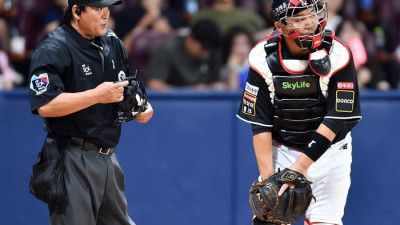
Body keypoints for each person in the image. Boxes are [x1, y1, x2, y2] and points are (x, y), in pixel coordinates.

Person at [235, 0, 362, 224]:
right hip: (283, 150)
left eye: (312, 15)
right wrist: (268, 182)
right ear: (280, 26)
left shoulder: (339, 53)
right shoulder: (260, 57)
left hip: (331, 154)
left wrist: (300, 168)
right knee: (268, 219)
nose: (309, 23)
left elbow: (337, 118)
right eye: (299, 18)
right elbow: (260, 123)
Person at [28, 1, 153, 225]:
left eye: (108, 8)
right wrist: (95, 96)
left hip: (108, 158)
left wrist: (141, 105)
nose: (105, 14)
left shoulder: (113, 41)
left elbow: (125, 86)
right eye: (97, 8)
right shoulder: (55, 48)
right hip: (73, 156)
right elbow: (45, 104)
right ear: (76, 11)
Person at [146, 19, 222, 89]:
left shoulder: (213, 52)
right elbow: (154, 84)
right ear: (190, 39)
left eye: (209, 50)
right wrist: (191, 91)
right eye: (203, 48)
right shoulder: (167, 49)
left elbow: (217, 84)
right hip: (174, 101)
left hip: (205, 101)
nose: (206, 54)